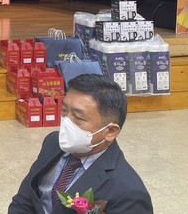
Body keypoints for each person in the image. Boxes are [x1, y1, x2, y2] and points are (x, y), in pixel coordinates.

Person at [8, 74, 153, 214]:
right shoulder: (52, 143)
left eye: (78, 117)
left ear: (110, 131)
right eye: (64, 111)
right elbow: (23, 201)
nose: (66, 122)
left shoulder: (129, 192)